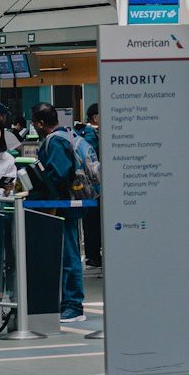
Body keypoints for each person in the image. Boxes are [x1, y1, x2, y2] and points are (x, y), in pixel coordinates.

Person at [32, 103, 97, 322]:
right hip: (69, 203)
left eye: (34, 122)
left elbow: (58, 175)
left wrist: (41, 192)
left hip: (65, 205)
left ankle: (73, 305)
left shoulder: (55, 141)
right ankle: (68, 302)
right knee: (67, 252)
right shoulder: (67, 135)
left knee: (69, 254)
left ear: (41, 123)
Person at [78, 105, 102, 270]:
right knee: (93, 221)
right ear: (95, 117)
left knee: (91, 221)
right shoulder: (91, 135)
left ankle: (92, 255)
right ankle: (93, 255)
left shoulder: (83, 134)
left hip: (88, 186)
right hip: (95, 185)